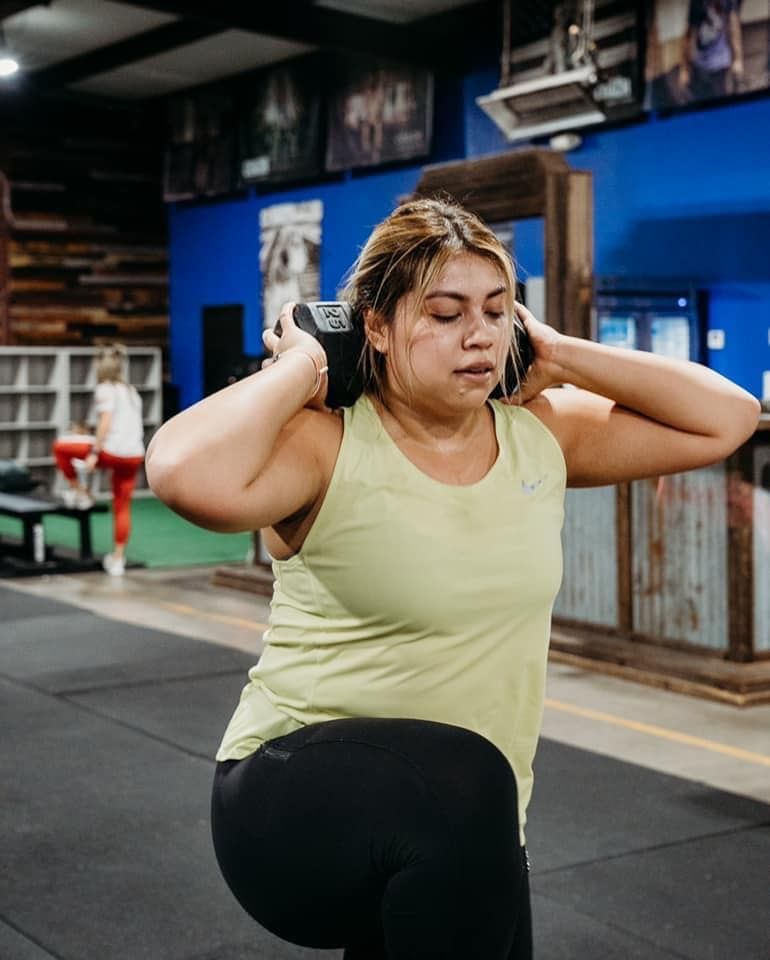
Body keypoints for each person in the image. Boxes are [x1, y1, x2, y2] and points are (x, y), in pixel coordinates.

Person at [145, 198, 759, 959]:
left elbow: (725, 419)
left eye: (497, 311)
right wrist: (305, 360)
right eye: (444, 313)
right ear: (375, 325)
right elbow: (179, 472)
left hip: (465, 824)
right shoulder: (327, 443)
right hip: (289, 805)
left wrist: (561, 353)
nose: (478, 334)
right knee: (467, 782)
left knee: (475, 823)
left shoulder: (541, 434)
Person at [52, 344, 145, 577]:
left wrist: (94, 452)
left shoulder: (105, 389)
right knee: (122, 505)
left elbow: (106, 422)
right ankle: (118, 559)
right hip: (133, 455)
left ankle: (81, 493)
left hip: (110, 452)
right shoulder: (131, 391)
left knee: (61, 448)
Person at [679, 0, 744, 102]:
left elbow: (733, 27)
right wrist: (684, 69)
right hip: (699, 65)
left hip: (721, 64)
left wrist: (737, 59)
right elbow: (689, 34)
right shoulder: (697, 3)